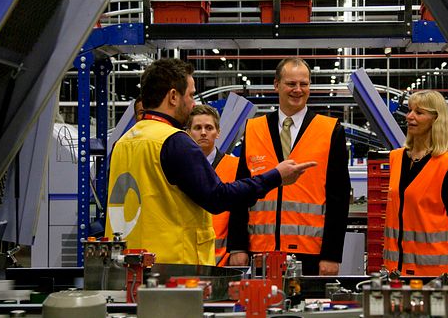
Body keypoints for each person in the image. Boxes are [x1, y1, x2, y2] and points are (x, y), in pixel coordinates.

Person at [105, 58, 317, 265]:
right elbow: (217, 198)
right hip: (172, 268)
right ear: (172, 96)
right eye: (190, 95)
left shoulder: (124, 142)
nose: (193, 103)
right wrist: (275, 176)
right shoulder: (174, 142)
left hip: (128, 265)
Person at [228, 57, 351, 276]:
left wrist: (331, 255)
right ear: (276, 85)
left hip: (311, 253)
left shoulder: (330, 130)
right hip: (260, 251)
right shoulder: (254, 129)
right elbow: (241, 192)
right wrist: (237, 245)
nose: (298, 90)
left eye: (304, 84)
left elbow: (339, 199)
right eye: (291, 84)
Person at [383, 90, 448, 276]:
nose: (409, 116)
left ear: (436, 120)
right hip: (394, 270)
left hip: (432, 273)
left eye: (419, 112)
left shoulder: (447, 164)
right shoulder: (396, 158)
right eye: (410, 110)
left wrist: (435, 253)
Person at [187, 104, 239, 266]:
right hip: (188, 258)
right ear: (188, 133)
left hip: (223, 259)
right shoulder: (179, 168)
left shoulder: (235, 166)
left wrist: (237, 249)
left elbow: (241, 213)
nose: (203, 132)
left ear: (218, 132)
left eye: (209, 127)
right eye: (197, 128)